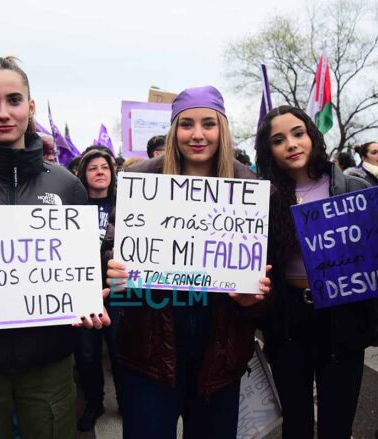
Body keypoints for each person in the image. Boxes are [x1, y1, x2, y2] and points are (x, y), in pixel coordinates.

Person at [0, 56, 109, 439]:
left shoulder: (67, 185)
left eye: (14, 100)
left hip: (48, 367)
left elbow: (83, 269)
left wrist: (91, 299)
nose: (4, 112)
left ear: (30, 107)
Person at [104, 86, 271, 439]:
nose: (197, 135)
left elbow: (263, 269)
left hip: (219, 354)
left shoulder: (250, 185)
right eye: (187, 124)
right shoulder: (143, 179)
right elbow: (113, 243)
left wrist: (252, 296)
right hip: (150, 349)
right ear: (173, 129)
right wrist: (114, 267)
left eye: (208, 124)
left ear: (222, 130)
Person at [255, 105, 375, 439]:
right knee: (296, 424)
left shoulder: (352, 186)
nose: (291, 144)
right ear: (269, 151)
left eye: (298, 133)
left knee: (337, 424)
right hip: (288, 321)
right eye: (278, 140)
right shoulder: (264, 199)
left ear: (312, 136)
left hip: (343, 319)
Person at [74, 149, 124, 431]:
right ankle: (94, 402)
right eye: (93, 168)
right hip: (82, 289)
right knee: (87, 354)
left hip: (117, 290)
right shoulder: (72, 206)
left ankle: (125, 400)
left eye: (105, 166)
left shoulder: (127, 204)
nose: (100, 171)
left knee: (119, 350)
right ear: (84, 173)